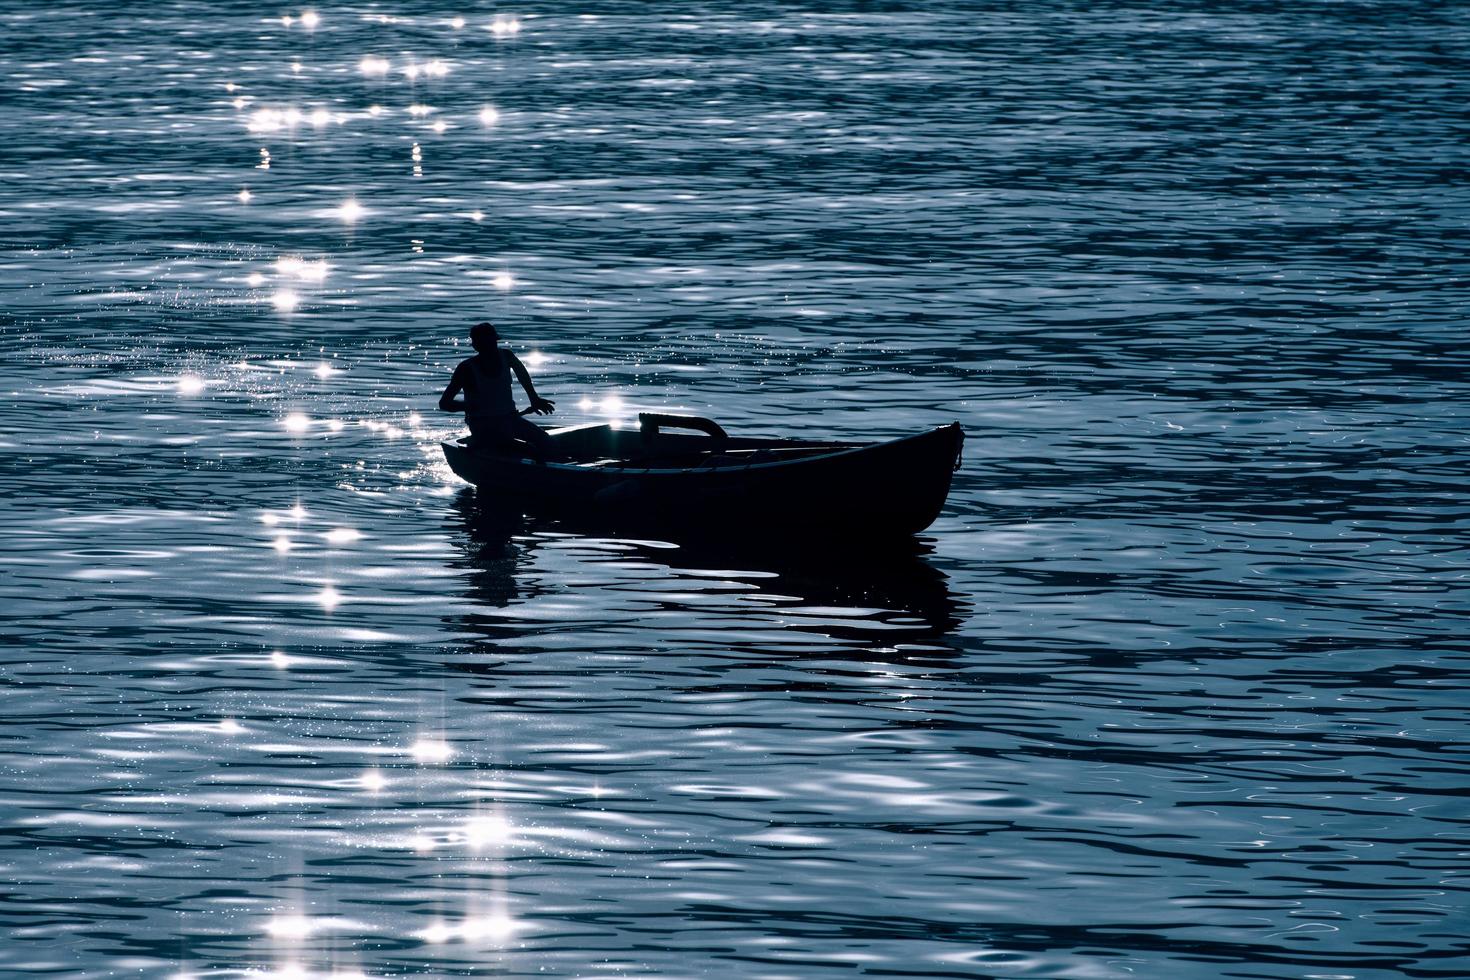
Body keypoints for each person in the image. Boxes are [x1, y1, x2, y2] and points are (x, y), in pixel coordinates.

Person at [439, 321, 562, 459]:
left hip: (511, 420)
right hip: (484, 427)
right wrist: (469, 406)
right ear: (476, 346)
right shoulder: (466, 368)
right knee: (530, 451)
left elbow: (523, 376)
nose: (491, 348)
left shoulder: (507, 356)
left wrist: (534, 399)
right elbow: (444, 403)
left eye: (492, 343)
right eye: (485, 343)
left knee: (550, 445)